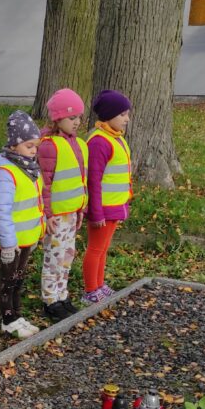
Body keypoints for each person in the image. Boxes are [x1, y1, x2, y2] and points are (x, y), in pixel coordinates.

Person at [0, 111, 45, 339]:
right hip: (11, 242)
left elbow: (36, 203)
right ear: (13, 145)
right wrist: (7, 244)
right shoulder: (6, 173)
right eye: (28, 146)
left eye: (35, 147)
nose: (33, 151)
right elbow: (1, 211)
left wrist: (38, 231)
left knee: (18, 279)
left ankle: (17, 314)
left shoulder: (29, 169)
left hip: (25, 238)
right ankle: (8, 319)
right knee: (8, 280)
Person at [38, 89, 88, 321]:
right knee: (54, 258)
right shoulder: (49, 146)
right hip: (57, 216)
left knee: (67, 256)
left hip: (71, 213)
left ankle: (62, 294)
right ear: (57, 118)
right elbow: (45, 184)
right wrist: (47, 214)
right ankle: (50, 299)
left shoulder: (77, 144)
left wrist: (81, 209)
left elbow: (81, 180)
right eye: (72, 117)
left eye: (79, 117)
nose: (77, 122)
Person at [83, 90, 133, 305]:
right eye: (122, 114)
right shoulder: (99, 142)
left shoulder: (115, 138)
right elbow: (93, 181)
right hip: (102, 208)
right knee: (95, 249)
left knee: (103, 248)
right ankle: (90, 290)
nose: (127, 119)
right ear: (109, 115)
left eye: (127, 114)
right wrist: (96, 213)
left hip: (114, 206)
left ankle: (99, 284)